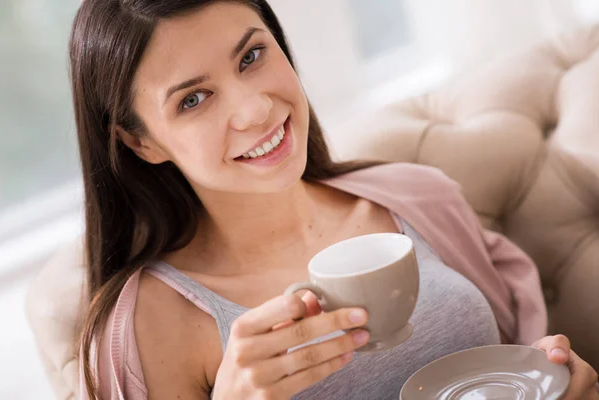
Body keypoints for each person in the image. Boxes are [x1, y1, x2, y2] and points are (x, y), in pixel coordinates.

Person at [70, 0, 598, 399]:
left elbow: (521, 360)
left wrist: (558, 379)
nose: (254, 110)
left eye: (252, 56)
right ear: (142, 141)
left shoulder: (417, 199)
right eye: (194, 99)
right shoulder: (148, 326)